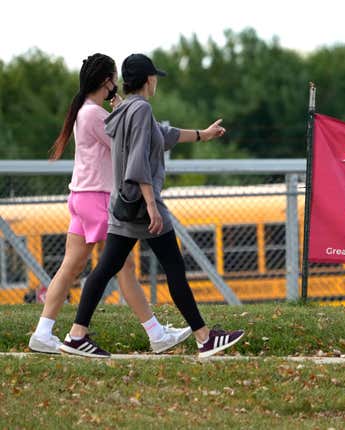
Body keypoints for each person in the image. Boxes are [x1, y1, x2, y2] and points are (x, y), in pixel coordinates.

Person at [59, 53, 244, 358]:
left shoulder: (123, 110)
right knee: (173, 268)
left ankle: (77, 335)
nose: (156, 80)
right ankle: (204, 338)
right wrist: (152, 205)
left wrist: (202, 135)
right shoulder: (141, 109)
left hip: (122, 205)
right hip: (143, 207)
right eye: (155, 76)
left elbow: (163, 135)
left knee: (106, 269)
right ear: (148, 80)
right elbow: (138, 162)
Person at [29, 53, 191, 355]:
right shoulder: (94, 115)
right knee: (125, 267)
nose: (117, 84)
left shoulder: (86, 111)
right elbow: (127, 143)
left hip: (80, 197)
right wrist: (122, 113)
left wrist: (118, 110)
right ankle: (155, 333)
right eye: (113, 79)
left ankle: (44, 331)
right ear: (107, 82)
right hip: (97, 197)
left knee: (71, 266)